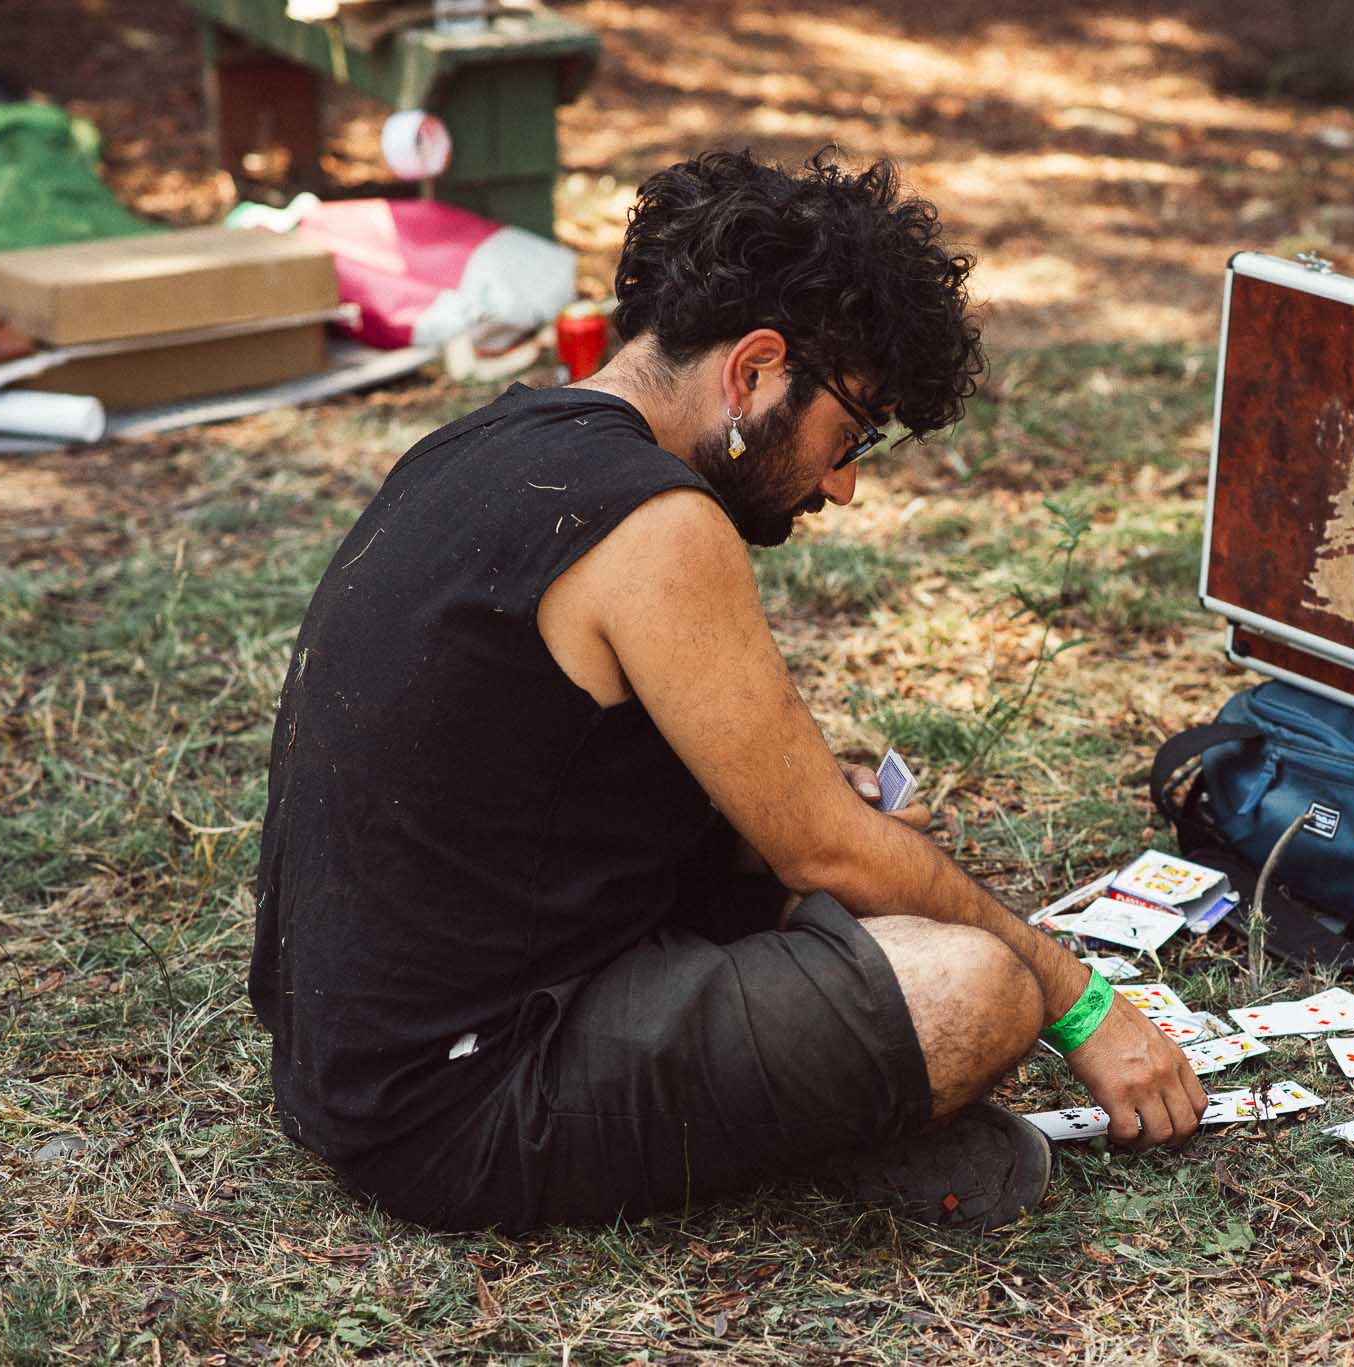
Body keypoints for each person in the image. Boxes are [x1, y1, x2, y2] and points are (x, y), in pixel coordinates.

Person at [248, 148, 1207, 1236]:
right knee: (977, 988)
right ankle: (827, 1125)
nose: (842, 484)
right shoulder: (655, 522)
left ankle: (819, 1105)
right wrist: (1074, 999)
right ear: (754, 371)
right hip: (456, 1107)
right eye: (848, 437)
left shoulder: (488, 440)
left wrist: (807, 824)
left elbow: (554, 774)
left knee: (859, 887)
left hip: (356, 1056)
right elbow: (826, 852)